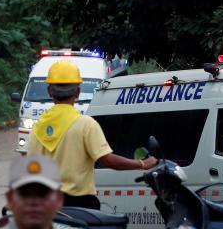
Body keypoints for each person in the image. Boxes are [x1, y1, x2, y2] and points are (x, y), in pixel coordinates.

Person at [26, 60, 157, 210]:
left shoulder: (37, 127)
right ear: (77, 92)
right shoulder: (86, 125)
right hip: (78, 207)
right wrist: (142, 164)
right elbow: (107, 160)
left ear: (49, 91)